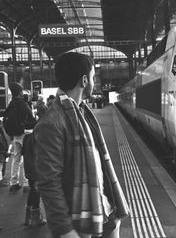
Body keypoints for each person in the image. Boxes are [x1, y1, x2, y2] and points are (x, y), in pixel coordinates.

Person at [35, 52, 129, 238]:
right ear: (84, 80)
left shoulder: (83, 113)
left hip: (106, 212)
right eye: (93, 77)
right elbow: (49, 182)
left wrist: (114, 211)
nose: (94, 82)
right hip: (80, 223)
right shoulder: (51, 124)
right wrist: (65, 230)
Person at [6, 82, 36, 192]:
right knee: (27, 157)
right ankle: (26, 183)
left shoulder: (11, 104)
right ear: (19, 92)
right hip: (25, 133)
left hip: (16, 134)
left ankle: (13, 183)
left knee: (16, 158)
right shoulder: (22, 103)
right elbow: (31, 118)